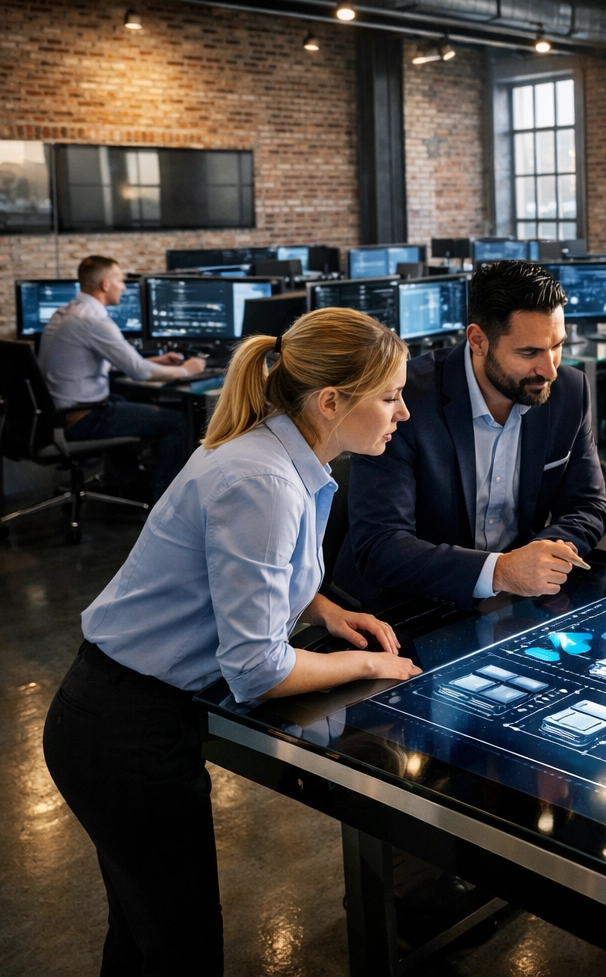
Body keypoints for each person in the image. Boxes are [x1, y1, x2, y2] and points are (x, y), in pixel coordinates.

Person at [43, 308, 421, 974]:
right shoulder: (263, 480)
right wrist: (364, 663)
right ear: (332, 402)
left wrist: (324, 609)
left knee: (143, 938)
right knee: (181, 948)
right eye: (390, 396)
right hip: (124, 728)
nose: (404, 412)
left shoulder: (276, 456)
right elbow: (258, 670)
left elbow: (249, 569)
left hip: (121, 713)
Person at [334, 259, 606, 613]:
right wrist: (498, 573)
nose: (550, 368)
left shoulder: (569, 391)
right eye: (529, 353)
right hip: (403, 607)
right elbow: (381, 545)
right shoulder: (404, 399)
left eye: (556, 346)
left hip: (512, 602)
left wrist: (532, 563)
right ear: (478, 340)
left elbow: (588, 506)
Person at [38, 255, 208, 498]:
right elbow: (138, 373)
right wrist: (187, 370)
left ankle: (128, 486)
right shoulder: (94, 321)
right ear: (105, 284)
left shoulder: (67, 313)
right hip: (83, 418)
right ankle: (167, 502)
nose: (124, 286)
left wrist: (152, 360)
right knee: (176, 421)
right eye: (120, 279)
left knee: (126, 401)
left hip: (61, 415)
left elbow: (109, 362)